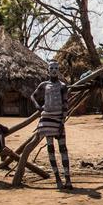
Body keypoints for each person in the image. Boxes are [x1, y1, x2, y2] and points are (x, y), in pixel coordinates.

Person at [30, 61, 72, 189]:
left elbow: (65, 105)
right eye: (51, 68)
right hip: (47, 118)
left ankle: (68, 180)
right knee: (50, 149)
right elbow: (33, 96)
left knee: (63, 149)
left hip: (58, 119)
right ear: (47, 70)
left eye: (56, 68)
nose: (54, 70)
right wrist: (38, 106)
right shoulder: (44, 85)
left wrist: (62, 122)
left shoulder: (63, 86)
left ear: (59, 70)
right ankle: (58, 179)